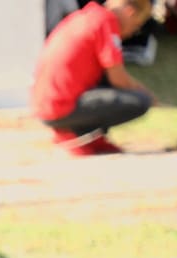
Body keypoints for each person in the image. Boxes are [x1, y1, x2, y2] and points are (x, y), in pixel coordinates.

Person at [33, 0, 155, 156]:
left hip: (45, 103)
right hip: (60, 108)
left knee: (106, 78)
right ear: (129, 12)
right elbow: (118, 79)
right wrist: (148, 95)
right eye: (136, 26)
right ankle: (72, 136)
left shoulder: (88, 16)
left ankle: (91, 137)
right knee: (139, 100)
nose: (132, 32)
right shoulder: (106, 21)